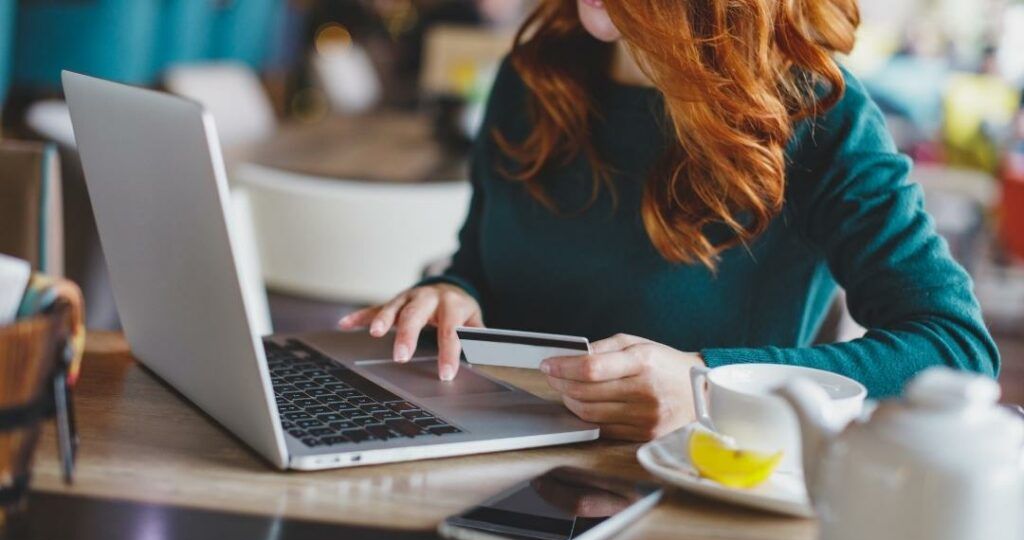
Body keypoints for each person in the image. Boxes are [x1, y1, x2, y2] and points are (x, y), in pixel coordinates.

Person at [340, 0, 1000, 441]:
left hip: (686, 495)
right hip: (479, 459)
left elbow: (955, 349)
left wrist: (708, 387)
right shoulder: (534, 75)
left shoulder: (821, 116)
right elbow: (480, 266)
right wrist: (454, 293)